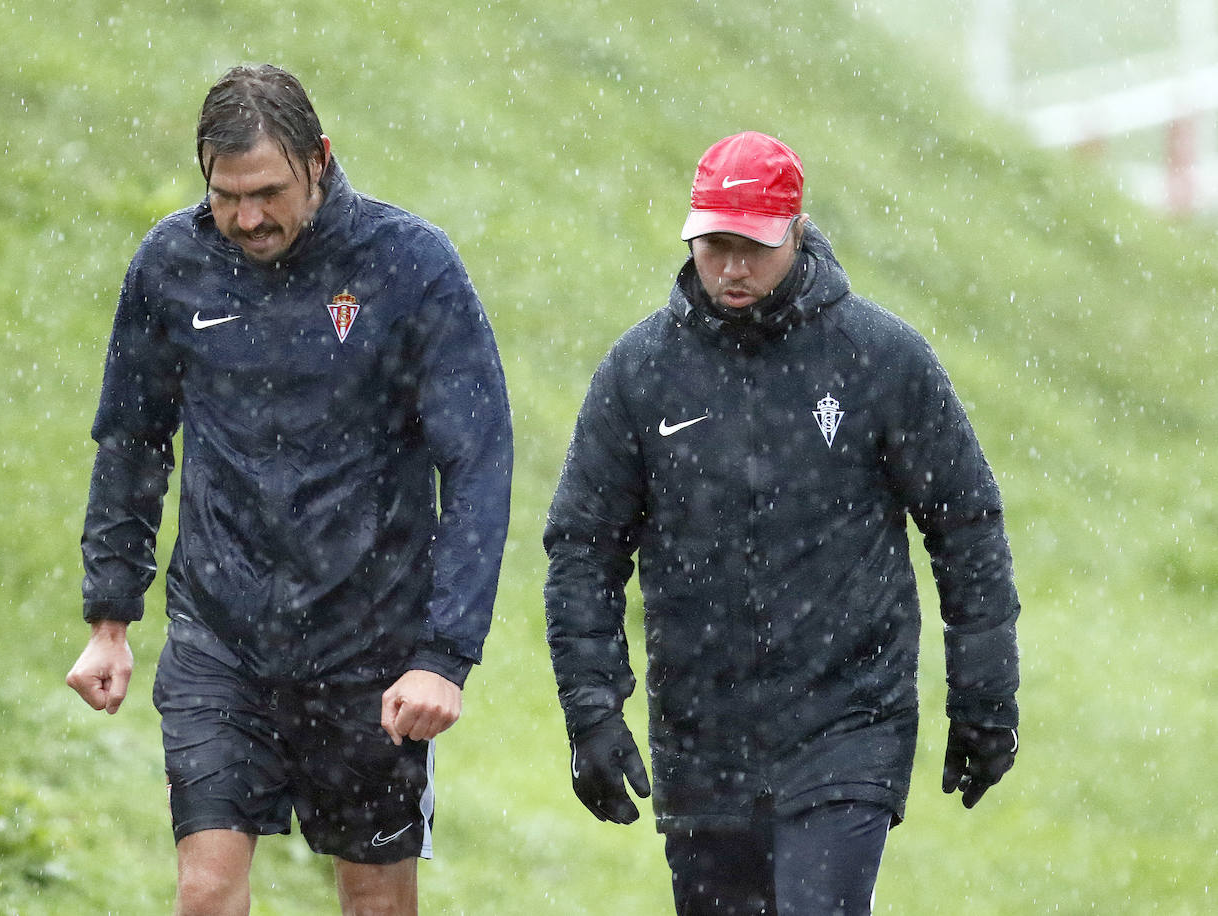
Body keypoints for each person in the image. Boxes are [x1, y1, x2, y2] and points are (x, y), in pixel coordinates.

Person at [66, 64, 513, 916]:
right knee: (204, 892)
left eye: (267, 191)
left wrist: (443, 656)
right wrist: (110, 617)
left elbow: (479, 462)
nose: (247, 217)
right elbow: (131, 440)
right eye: (226, 194)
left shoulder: (410, 265)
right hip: (219, 642)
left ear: (319, 159)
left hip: (368, 650)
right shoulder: (171, 265)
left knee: (376, 904)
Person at [543, 131, 1020, 914]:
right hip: (702, 738)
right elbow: (582, 549)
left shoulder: (880, 358)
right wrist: (591, 712)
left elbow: (966, 524)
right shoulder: (640, 373)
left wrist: (985, 697)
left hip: (848, 724)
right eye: (714, 245)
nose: (732, 267)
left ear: (796, 232)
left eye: (754, 247)